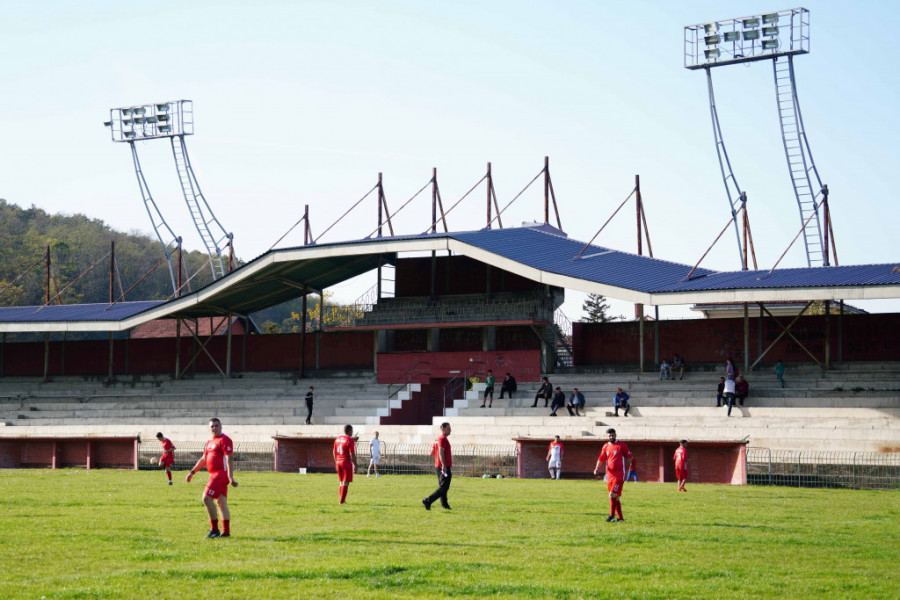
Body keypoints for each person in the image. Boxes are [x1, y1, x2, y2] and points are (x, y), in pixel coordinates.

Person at [186, 418, 238, 539]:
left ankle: (214, 530)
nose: (214, 428)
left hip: (220, 475)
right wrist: (192, 472)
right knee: (221, 503)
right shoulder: (210, 442)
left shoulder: (225, 440)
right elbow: (204, 459)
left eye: (216, 425)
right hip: (213, 475)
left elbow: (229, 458)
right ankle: (226, 532)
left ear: (221, 427)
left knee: (206, 499)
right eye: (212, 426)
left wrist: (230, 476)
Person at [593, 428, 633, 522]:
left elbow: (629, 457)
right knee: (616, 497)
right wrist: (597, 468)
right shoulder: (606, 446)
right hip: (610, 475)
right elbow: (601, 458)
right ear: (607, 436)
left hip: (619, 475)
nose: (611, 437)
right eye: (610, 435)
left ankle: (611, 516)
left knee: (612, 494)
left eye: (613, 435)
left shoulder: (621, 445)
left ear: (616, 435)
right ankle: (621, 518)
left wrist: (626, 469)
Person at [422, 422, 452, 510]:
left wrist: (437, 461)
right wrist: (444, 465)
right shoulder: (442, 439)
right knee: (444, 487)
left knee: (443, 487)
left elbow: (432, 452)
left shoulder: (437, 439)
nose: (450, 430)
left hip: (438, 466)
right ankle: (428, 500)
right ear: (442, 429)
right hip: (443, 466)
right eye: (448, 428)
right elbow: (440, 451)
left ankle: (445, 505)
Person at [333, 424, 357, 504]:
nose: (352, 432)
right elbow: (352, 454)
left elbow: (333, 452)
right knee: (346, 482)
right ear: (350, 431)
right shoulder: (349, 440)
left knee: (341, 482)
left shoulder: (337, 439)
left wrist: (336, 461)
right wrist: (355, 465)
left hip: (338, 462)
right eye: (352, 431)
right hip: (346, 462)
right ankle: (342, 501)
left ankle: (342, 500)